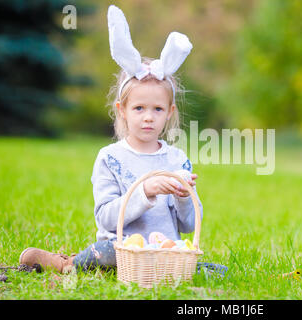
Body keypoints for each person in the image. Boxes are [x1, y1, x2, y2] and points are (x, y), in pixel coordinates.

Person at [19, 5, 227, 278]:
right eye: (139, 108)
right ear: (122, 110)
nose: (148, 118)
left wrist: (184, 196)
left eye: (158, 109)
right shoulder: (110, 157)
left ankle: (166, 269)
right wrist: (146, 191)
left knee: (214, 270)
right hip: (120, 250)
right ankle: (67, 264)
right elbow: (105, 217)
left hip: (163, 251)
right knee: (105, 252)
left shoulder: (176, 160)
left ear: (170, 113)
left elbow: (189, 225)